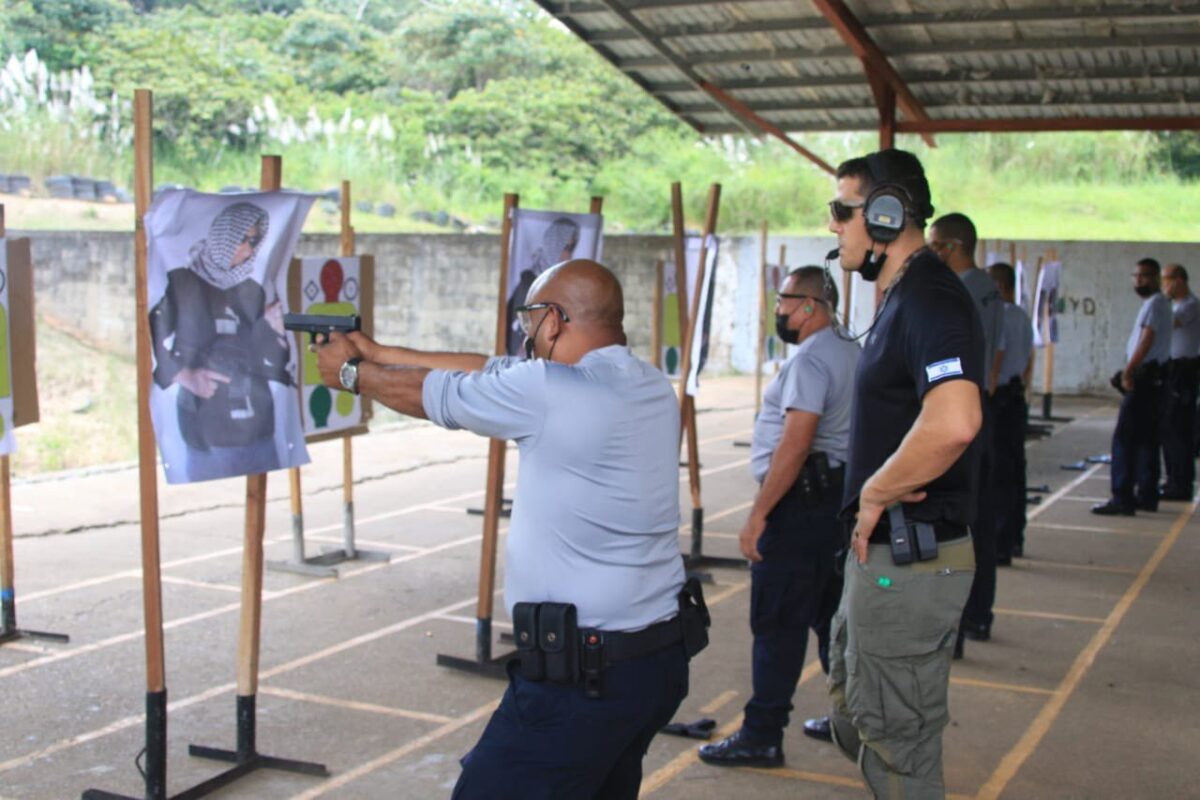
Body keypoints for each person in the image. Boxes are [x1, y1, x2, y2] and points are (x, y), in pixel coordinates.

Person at [313, 259, 698, 800]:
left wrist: (351, 374)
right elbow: (490, 368)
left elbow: (434, 396)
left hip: (583, 678)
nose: (526, 333)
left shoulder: (548, 389)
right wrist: (378, 353)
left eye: (531, 318)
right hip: (652, 662)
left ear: (556, 320)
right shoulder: (650, 384)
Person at [824, 149, 982, 799]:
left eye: (842, 211)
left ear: (886, 213)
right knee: (855, 717)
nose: (833, 226)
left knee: (898, 744)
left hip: (910, 557)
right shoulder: (902, 296)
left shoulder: (930, 298)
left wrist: (877, 491)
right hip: (886, 555)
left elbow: (955, 421)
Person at [697, 266, 859, 769]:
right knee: (831, 619)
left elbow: (796, 442)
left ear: (810, 305)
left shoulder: (811, 362)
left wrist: (758, 515)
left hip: (800, 508)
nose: (778, 311)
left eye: (784, 301)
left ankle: (762, 734)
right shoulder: (852, 351)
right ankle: (850, 722)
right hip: (836, 504)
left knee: (778, 624)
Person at [149, 201, 292, 481]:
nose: (248, 250)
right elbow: (150, 337)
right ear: (223, 237)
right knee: (207, 508)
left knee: (264, 503)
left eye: (254, 241)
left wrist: (276, 330)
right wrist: (185, 375)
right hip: (207, 428)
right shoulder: (182, 284)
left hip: (258, 426)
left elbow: (275, 362)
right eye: (242, 239)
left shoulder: (252, 289)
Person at [928, 212, 1002, 648]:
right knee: (980, 522)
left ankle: (953, 627)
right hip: (980, 406)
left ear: (952, 247)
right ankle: (977, 615)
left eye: (935, 244)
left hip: (958, 410)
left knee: (954, 522)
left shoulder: (959, 291)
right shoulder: (989, 288)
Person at [1093, 258, 1172, 515]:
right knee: (1146, 440)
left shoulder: (1156, 304)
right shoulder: (1159, 303)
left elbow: (1147, 338)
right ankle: (1146, 494)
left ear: (1157, 278)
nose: (1139, 280)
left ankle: (1122, 497)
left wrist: (1129, 371)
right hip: (1153, 378)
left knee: (1125, 440)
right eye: (1136, 275)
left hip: (1145, 379)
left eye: (1145, 276)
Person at [988, 262, 1034, 561]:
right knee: (1016, 470)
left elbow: (997, 357)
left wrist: (987, 394)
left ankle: (1001, 543)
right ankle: (1015, 536)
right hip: (1016, 395)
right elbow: (1029, 357)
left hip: (1001, 397)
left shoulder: (1000, 315)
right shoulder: (1022, 316)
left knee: (999, 473)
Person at [1160, 263, 1200, 501]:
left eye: (1166, 280)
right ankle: (1173, 479)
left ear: (1179, 281)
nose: (1164, 285)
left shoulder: (1190, 305)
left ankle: (1181, 484)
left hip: (1184, 371)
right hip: (1173, 369)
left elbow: (1167, 323)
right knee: (1168, 428)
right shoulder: (1176, 306)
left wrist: (1161, 301)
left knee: (1179, 429)